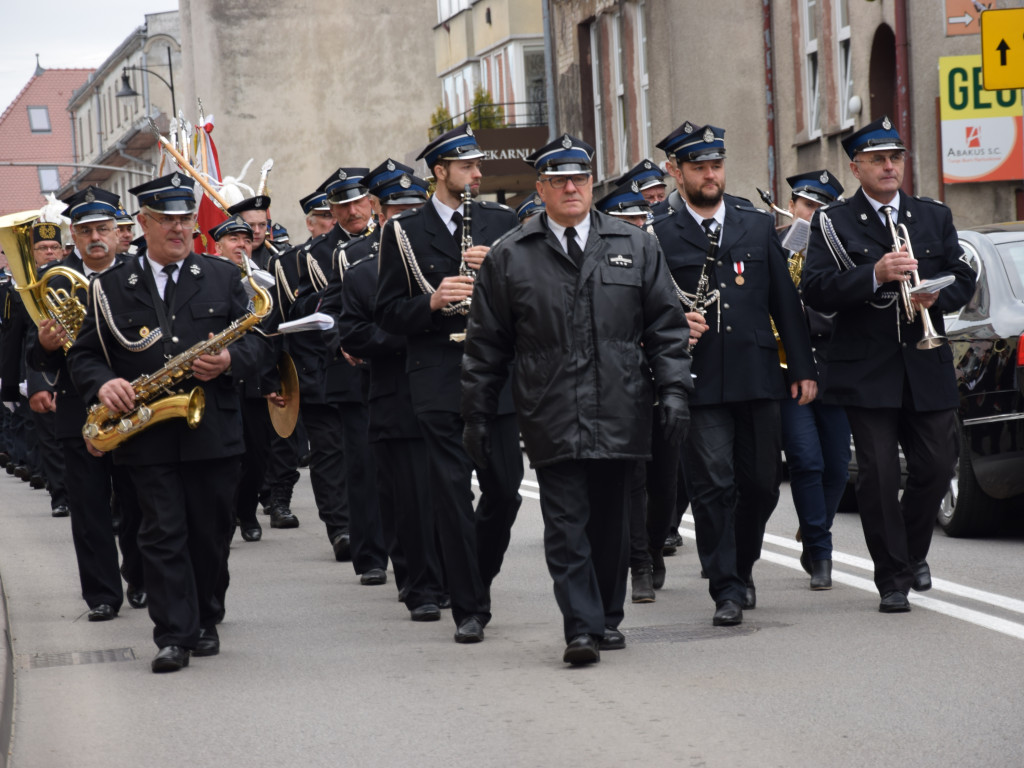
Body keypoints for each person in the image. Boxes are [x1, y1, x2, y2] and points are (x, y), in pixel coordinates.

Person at [461, 133, 691, 665]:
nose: (571, 188)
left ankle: (608, 617)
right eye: (559, 180)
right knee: (566, 524)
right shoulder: (511, 255)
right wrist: (475, 412)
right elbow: (485, 344)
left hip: (621, 403)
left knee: (610, 523)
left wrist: (675, 389)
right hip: (550, 408)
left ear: (592, 184)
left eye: (580, 178)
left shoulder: (633, 244)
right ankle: (580, 628)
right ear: (540, 188)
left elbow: (666, 327)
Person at [67, 171, 268, 673]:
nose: (179, 230)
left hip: (213, 429)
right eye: (168, 221)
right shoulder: (110, 286)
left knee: (210, 531)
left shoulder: (223, 277)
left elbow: (260, 346)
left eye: (185, 220)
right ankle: (173, 633)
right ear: (142, 224)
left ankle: (206, 616)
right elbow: (86, 356)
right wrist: (101, 384)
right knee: (161, 533)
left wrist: (229, 363)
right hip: (147, 432)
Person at [802, 116, 975, 613]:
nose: (889, 166)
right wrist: (873, 275)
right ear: (856, 168)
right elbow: (814, 289)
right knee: (877, 476)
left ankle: (912, 551)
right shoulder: (832, 223)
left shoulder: (932, 215)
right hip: (866, 369)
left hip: (926, 361)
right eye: (877, 159)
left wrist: (934, 297)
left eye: (895, 157)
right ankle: (892, 579)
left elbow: (962, 274)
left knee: (937, 467)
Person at [651, 121, 817, 627]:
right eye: (698, 167)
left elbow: (783, 301)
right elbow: (645, 305)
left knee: (763, 485)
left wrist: (803, 367)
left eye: (716, 166)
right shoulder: (659, 232)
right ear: (677, 173)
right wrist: (672, 325)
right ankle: (724, 586)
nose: (709, 175)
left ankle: (742, 566)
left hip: (757, 374)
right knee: (713, 485)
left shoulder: (751, 221)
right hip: (697, 380)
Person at [375, 123, 523, 644]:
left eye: (478, 166)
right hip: (436, 376)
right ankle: (469, 608)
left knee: (506, 490)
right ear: (440, 173)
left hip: (494, 374)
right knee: (452, 495)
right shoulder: (402, 232)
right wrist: (432, 303)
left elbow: (528, 300)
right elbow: (388, 313)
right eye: (467, 167)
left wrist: (499, 271)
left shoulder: (501, 221)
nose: (478, 174)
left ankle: (474, 578)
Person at [334, 161, 445, 618]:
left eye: (412, 208)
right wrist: (412, 331)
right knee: (408, 500)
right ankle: (419, 587)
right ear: (381, 214)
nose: (404, 217)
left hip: (445, 394)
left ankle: (453, 577)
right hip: (395, 398)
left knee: (449, 497)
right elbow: (354, 334)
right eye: (395, 210)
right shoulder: (363, 272)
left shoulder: (441, 264)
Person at [29, 193, 147, 617]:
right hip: (80, 406)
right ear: (73, 238)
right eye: (85, 231)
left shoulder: (140, 273)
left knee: (138, 500)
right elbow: (36, 351)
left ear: (118, 234)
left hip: (135, 402)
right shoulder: (54, 280)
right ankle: (101, 594)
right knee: (89, 505)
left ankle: (140, 576)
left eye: (102, 230)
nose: (95, 238)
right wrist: (43, 345)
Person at [595, 182, 677, 604]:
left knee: (668, 483)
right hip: (622, 385)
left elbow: (667, 315)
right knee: (633, 480)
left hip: (661, 380)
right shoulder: (598, 257)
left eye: (643, 220)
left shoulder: (657, 253)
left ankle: (656, 545)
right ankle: (639, 564)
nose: (640, 229)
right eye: (629, 222)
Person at [776, 170, 851, 591]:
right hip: (790, 369)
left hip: (835, 367)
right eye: (807, 206)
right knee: (806, 459)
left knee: (838, 465)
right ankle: (820, 552)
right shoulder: (775, 246)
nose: (813, 214)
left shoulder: (844, 249)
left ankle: (814, 525)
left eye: (823, 209)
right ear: (793, 207)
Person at [227, 195, 275, 270]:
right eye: (250, 225)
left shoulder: (277, 253)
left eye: (262, 225)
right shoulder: (227, 257)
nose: (257, 231)